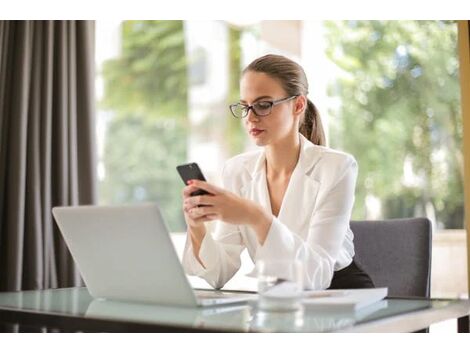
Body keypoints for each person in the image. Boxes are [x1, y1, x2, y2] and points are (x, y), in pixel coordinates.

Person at [181, 54, 374, 290]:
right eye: (245, 106)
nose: (250, 118)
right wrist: (196, 225)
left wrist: (256, 217)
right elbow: (219, 273)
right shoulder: (237, 171)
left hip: (340, 294)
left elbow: (317, 275)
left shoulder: (337, 167)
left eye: (263, 105)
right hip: (279, 299)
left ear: (298, 105)